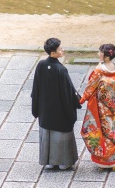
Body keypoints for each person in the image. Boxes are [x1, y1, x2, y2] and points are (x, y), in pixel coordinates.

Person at [31, 37, 82, 170]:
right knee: (62, 135)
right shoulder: (60, 70)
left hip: (45, 110)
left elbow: (35, 88)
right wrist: (75, 103)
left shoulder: (41, 65)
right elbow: (68, 92)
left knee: (47, 133)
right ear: (53, 53)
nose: (62, 50)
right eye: (60, 49)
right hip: (60, 111)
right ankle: (64, 162)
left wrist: (36, 108)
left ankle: (49, 161)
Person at [79, 43, 115, 170]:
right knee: (113, 132)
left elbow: (90, 88)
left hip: (101, 109)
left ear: (106, 56)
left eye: (100, 52)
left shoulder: (99, 71)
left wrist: (81, 100)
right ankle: (113, 160)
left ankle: (103, 160)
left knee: (103, 132)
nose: (98, 54)